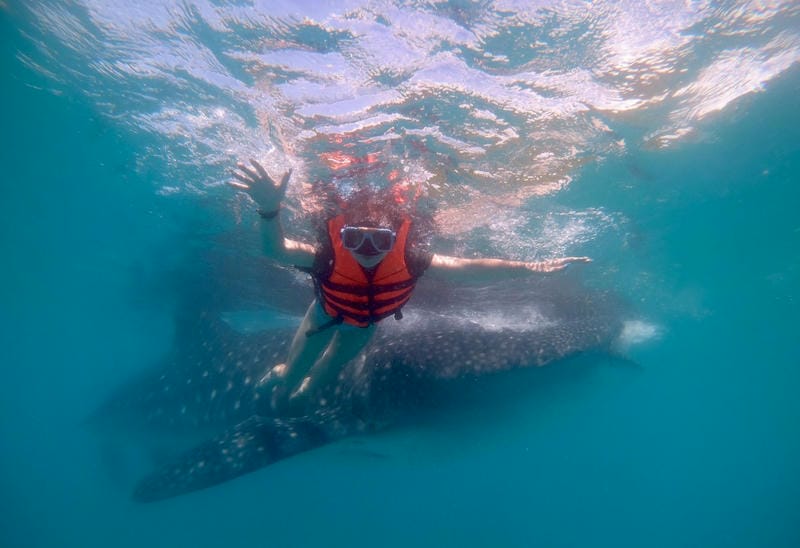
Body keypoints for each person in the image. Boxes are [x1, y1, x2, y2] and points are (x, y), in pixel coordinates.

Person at [231, 159, 590, 415]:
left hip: (363, 328)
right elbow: (273, 250)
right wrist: (269, 210)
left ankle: (298, 402)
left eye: (380, 241)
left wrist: (531, 266)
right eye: (357, 239)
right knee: (291, 376)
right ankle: (284, 375)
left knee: (319, 381)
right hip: (323, 315)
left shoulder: (412, 259)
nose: (368, 251)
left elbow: (470, 268)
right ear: (343, 237)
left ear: (396, 241)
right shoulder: (325, 256)